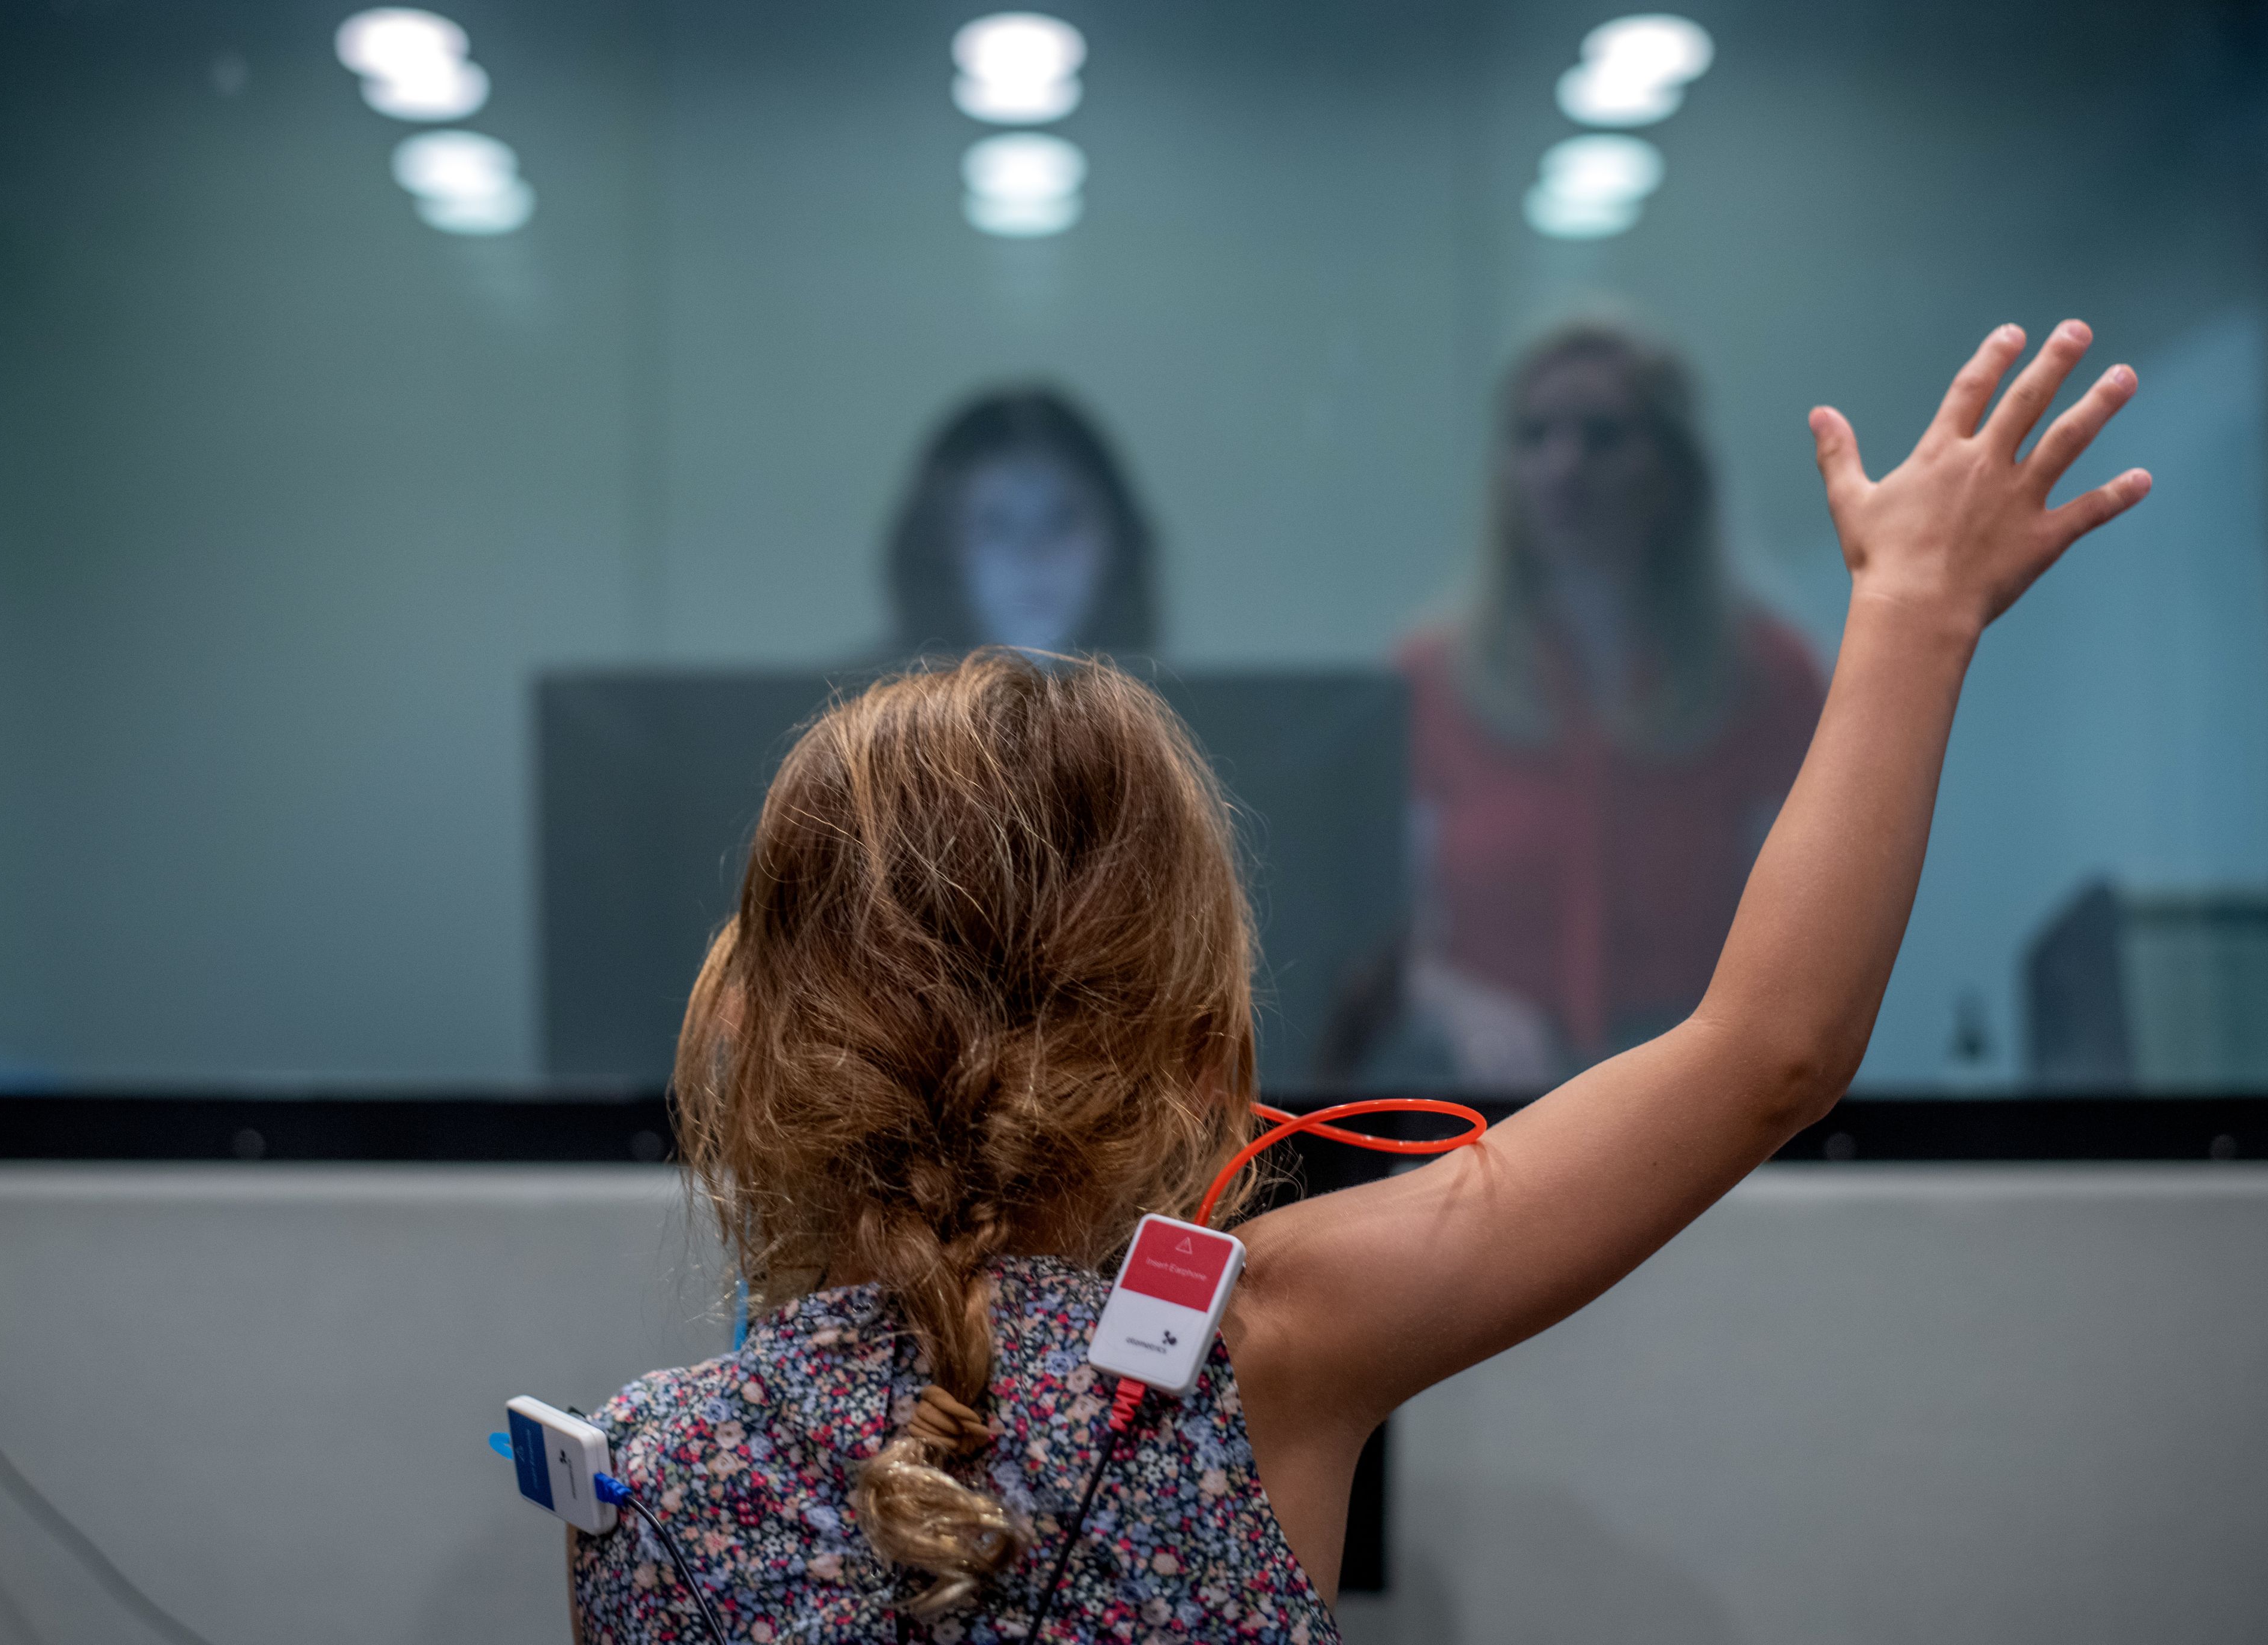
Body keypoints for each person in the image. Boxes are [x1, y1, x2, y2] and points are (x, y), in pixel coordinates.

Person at [569, 323, 2148, 1642]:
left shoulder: (641, 1470)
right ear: (1183, 999)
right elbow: (1768, 1052)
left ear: (769, 1017)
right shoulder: (1260, 1348)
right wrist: (1917, 612)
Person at [1333, 325, 1830, 1088]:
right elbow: (1379, 931)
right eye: (1534, 435)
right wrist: (1458, 1004)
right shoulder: (1430, 675)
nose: (1562, 465)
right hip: (1483, 1089)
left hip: (1701, 1088)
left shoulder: (1767, 674)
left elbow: (1818, 922)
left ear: (1672, 469)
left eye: (1603, 436)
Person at [884, 387, 1159, 660]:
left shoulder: (1175, 698)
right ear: (940, 545)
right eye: (997, 525)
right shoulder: (859, 701)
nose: (1034, 554)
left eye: (1062, 520)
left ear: (1117, 541)